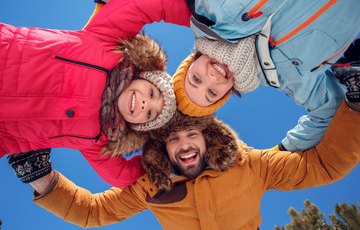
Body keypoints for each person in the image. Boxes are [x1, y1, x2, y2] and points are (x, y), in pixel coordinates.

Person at [8, 66, 360, 229]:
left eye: (191, 134)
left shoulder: (250, 165)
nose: (183, 144)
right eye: (172, 139)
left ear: (208, 137)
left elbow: (324, 165)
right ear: (162, 150)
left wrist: (355, 105)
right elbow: (93, 212)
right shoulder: (151, 187)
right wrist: (40, 178)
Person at [90, 0, 360, 152]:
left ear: (191, 62)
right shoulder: (290, 77)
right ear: (224, 95)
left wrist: (103, 6)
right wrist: (283, 152)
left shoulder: (207, 4)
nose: (211, 78)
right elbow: (329, 114)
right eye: (211, 93)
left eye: (195, 79)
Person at [0, 0, 192, 187]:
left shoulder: (100, 140)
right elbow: (145, 4)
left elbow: (120, 176)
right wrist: (200, 20)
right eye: (152, 93)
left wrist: (162, 160)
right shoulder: (108, 42)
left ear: (140, 126)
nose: (145, 103)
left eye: (151, 114)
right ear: (143, 75)